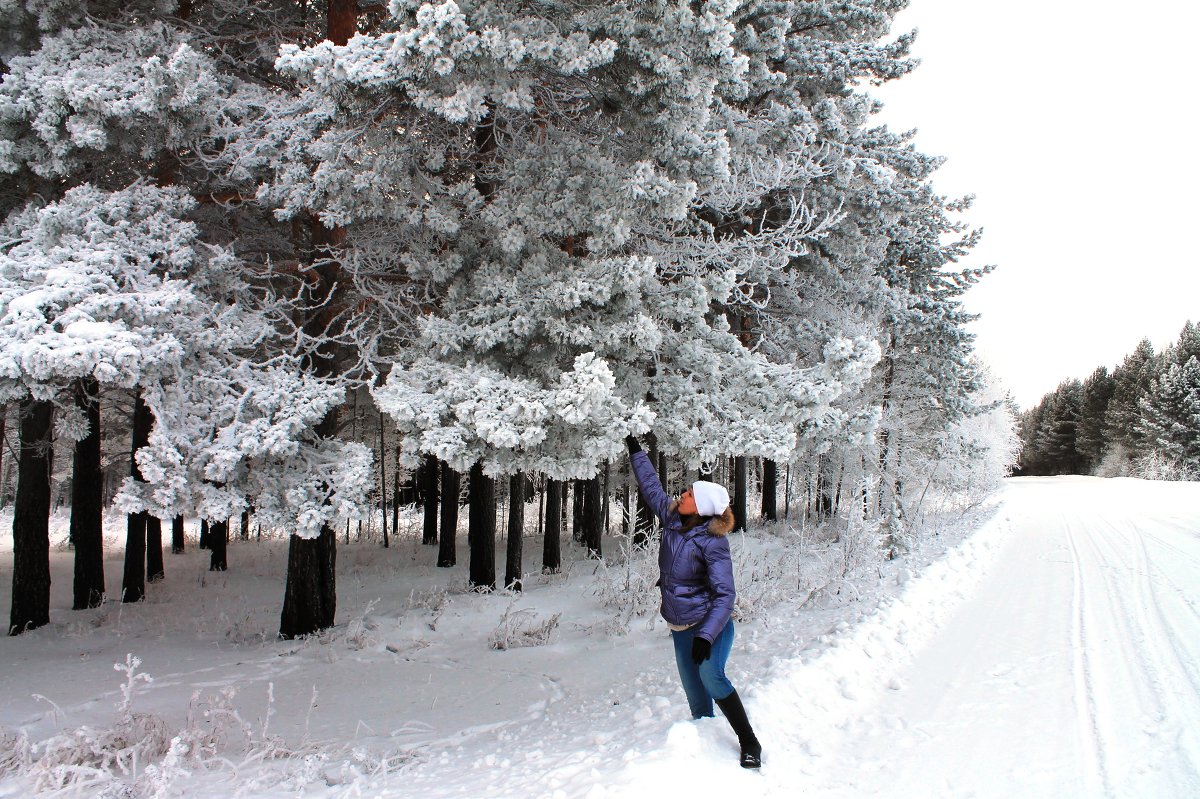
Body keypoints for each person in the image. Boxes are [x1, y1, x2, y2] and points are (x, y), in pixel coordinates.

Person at [626, 435, 763, 769]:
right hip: (679, 626)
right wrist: (635, 451)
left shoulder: (713, 543)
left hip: (709, 626)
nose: (681, 495)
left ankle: (750, 742)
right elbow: (651, 486)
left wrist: (706, 635)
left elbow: (725, 595)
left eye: (688, 494)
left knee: (712, 677)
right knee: (698, 704)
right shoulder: (673, 517)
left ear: (700, 507)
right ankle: (704, 761)